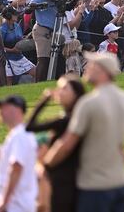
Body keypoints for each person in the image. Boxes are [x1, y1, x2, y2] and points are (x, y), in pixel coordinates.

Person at [44, 52, 124, 212]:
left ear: (102, 71)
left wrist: (45, 163)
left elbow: (66, 144)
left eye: (91, 65)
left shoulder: (88, 103)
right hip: (121, 183)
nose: (86, 67)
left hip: (93, 187)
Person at [26, 74, 86, 212]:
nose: (58, 92)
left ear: (76, 94)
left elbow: (30, 126)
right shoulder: (75, 118)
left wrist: (44, 100)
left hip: (62, 180)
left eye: (64, 89)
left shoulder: (66, 121)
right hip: (75, 178)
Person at [0, 94, 38, 212]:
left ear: (17, 110)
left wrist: (4, 200)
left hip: (16, 205)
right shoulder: (19, 134)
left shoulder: (20, 135)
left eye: (4, 107)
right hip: (18, 203)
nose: (0, 111)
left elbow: (16, 168)